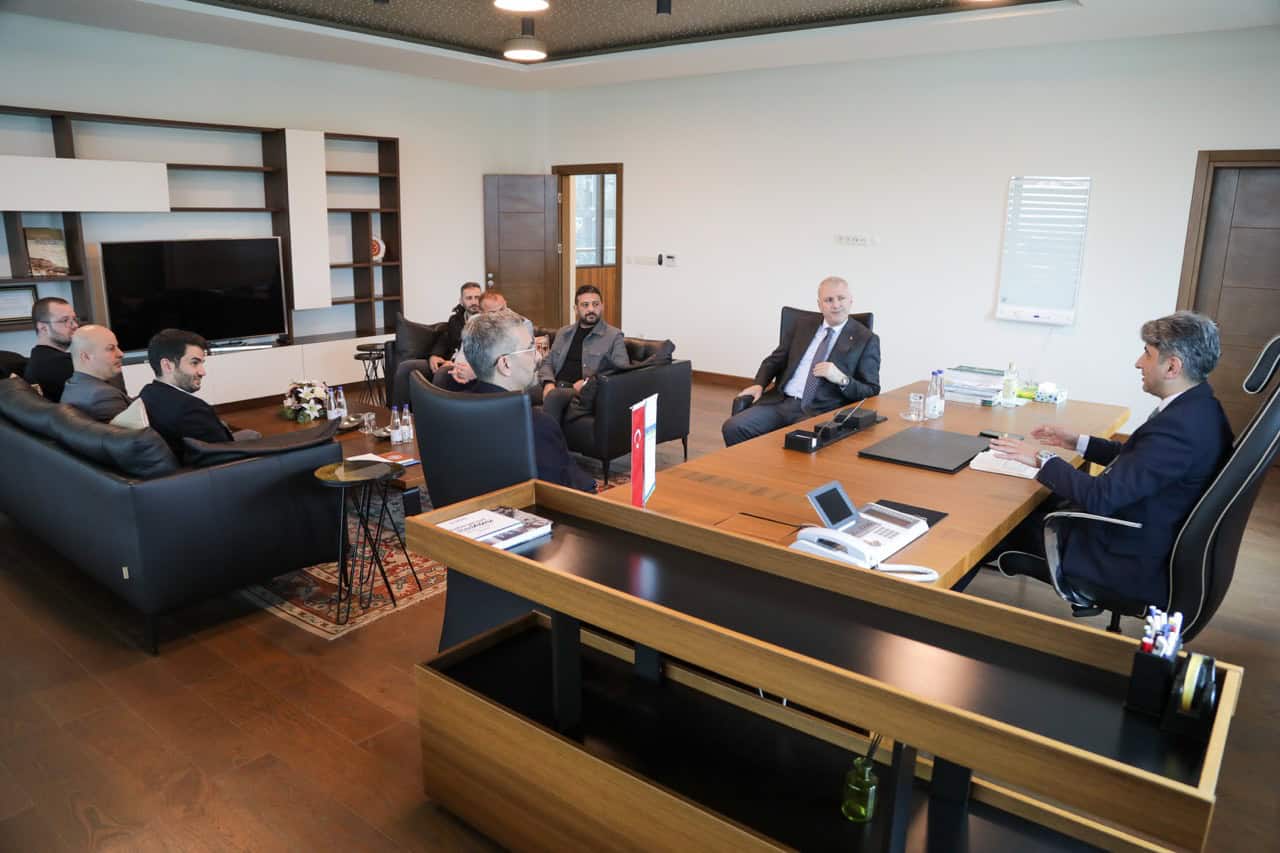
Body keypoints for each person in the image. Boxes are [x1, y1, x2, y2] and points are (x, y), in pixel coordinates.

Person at [988, 311, 1233, 606]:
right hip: (1141, 530)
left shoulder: (1178, 430)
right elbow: (1141, 463)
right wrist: (1078, 442)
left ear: (1172, 366)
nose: (1138, 363)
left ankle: (944, 611)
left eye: (1147, 354)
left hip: (1117, 556)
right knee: (1024, 501)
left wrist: (1041, 458)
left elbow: (1100, 497)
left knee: (990, 524)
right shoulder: (1200, 409)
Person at [721, 276, 881, 447]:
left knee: (798, 444)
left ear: (850, 301)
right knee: (733, 427)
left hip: (819, 411)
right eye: (828, 300)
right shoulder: (803, 325)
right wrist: (759, 384)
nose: (836, 305)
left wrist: (842, 379)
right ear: (820, 305)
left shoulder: (865, 339)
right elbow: (775, 359)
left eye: (841, 298)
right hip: (782, 401)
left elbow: (871, 390)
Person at [460, 308, 595, 492]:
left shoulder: (454, 412)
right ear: (505, 364)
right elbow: (562, 494)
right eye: (530, 349)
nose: (538, 357)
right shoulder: (536, 426)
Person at [139, 328, 241, 460]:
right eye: (194, 363)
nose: (202, 372)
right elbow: (228, 455)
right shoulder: (191, 409)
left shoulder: (146, 394)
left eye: (201, 363)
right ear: (167, 365)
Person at [537, 285, 629, 401]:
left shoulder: (614, 336)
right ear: (576, 309)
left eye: (595, 304)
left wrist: (587, 382)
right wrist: (548, 383)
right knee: (523, 396)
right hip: (555, 385)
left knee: (554, 398)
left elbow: (621, 370)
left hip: (581, 392)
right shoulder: (563, 333)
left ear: (602, 306)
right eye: (585, 305)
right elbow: (548, 362)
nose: (591, 309)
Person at [433, 290, 508, 391]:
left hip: (499, 374)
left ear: (505, 304)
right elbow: (464, 350)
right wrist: (458, 367)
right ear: (481, 312)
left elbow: (510, 360)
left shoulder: (518, 324)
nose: (500, 315)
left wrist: (477, 372)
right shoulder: (474, 321)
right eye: (492, 312)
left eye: (502, 309)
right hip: (475, 369)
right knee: (444, 375)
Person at [59, 325, 130, 421]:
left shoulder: (73, 385)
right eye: (111, 348)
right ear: (86, 357)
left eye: (117, 347)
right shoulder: (103, 396)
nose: (121, 354)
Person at [23, 297, 79, 401]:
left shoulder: (38, 356)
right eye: (65, 320)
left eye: (74, 319)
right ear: (43, 327)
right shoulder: (58, 363)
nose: (75, 325)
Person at [428, 281, 483, 373]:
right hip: (450, 360)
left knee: (442, 373)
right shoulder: (455, 319)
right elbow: (445, 339)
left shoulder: (488, 321)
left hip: (470, 365)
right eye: (469, 298)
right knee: (408, 366)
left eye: (477, 297)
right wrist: (435, 355)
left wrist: (455, 363)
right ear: (461, 301)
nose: (474, 302)